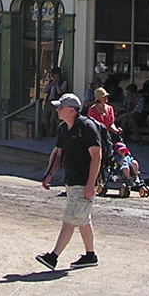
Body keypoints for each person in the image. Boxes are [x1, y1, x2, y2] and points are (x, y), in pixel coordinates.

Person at [35, 93, 102, 270]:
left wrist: (90, 184)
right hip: (71, 182)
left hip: (83, 183)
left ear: (71, 110)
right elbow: (58, 153)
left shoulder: (87, 127)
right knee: (83, 219)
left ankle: (53, 257)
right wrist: (49, 175)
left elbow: (97, 156)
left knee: (70, 219)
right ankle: (90, 255)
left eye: (60, 107)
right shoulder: (64, 128)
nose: (57, 110)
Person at [42, 67, 69, 136]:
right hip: (49, 102)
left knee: (53, 119)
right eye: (54, 75)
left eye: (57, 74)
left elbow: (60, 92)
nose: (55, 76)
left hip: (57, 103)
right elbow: (44, 90)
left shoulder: (63, 82)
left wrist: (56, 84)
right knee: (46, 119)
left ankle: (52, 134)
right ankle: (47, 134)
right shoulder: (50, 82)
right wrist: (52, 83)